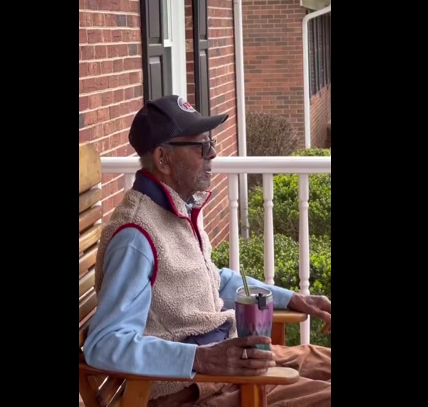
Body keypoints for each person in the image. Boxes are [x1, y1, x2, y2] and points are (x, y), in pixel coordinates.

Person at [83, 95, 331, 407]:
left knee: (321, 358)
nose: (213, 153)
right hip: (190, 390)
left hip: (225, 368)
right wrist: (203, 359)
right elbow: (104, 344)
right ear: (163, 159)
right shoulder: (136, 236)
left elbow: (213, 280)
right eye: (201, 146)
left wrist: (293, 298)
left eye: (210, 142)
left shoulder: (176, 210)